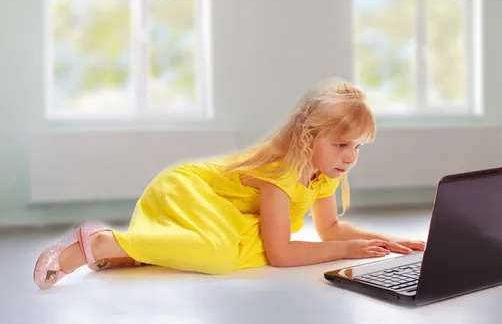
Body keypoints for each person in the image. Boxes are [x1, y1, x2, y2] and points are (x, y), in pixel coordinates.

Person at [33, 78, 426, 289]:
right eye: (342, 145)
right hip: (187, 190)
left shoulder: (323, 173)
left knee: (248, 248)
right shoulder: (282, 170)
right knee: (225, 254)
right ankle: (102, 242)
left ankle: (138, 253)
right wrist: (346, 251)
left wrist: (387, 242)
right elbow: (283, 256)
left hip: (224, 210)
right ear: (308, 137)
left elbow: (330, 228)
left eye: (358, 147)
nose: (350, 157)